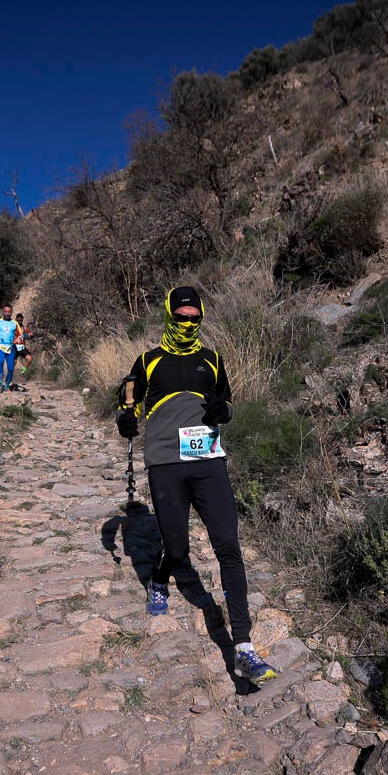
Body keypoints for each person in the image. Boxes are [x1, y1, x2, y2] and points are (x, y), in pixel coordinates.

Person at [115, 286, 277, 686]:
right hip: (166, 464)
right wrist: (124, 418)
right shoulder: (149, 361)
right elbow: (127, 398)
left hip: (208, 461)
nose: (188, 324)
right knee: (178, 548)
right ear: (169, 315)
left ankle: (243, 648)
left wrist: (227, 411)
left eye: (194, 318)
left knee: (228, 546)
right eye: (181, 317)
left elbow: (227, 402)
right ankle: (158, 577)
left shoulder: (212, 358)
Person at [0, 304, 23, 392]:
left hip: (10, 347)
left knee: (10, 369)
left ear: (11, 312)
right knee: (1, 361)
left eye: (9, 312)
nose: (7, 313)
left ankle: (6, 385)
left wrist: (19, 339)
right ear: (3, 312)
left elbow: (21, 335)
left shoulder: (14, 323)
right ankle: (0, 381)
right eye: (5, 312)